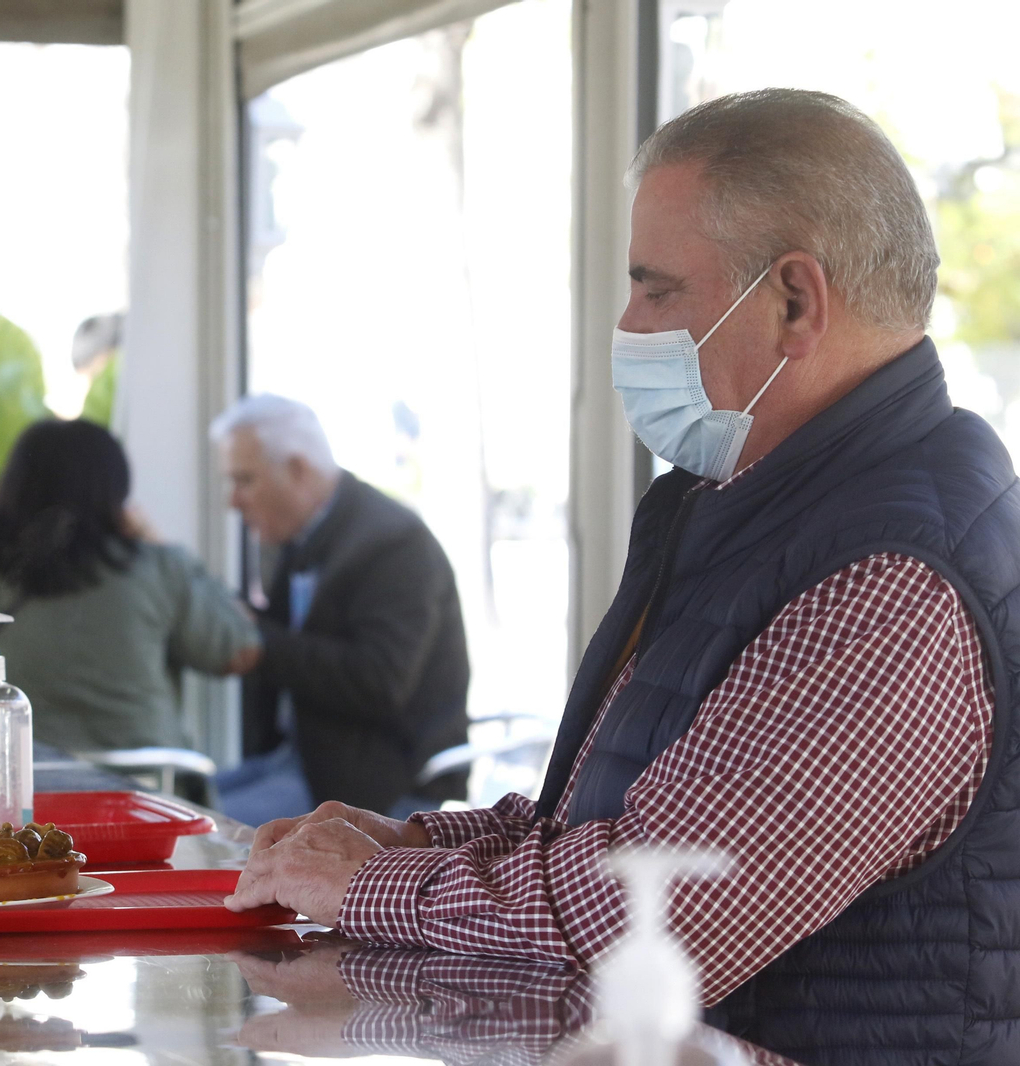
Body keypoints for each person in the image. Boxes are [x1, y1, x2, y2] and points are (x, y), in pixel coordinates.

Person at [223, 88, 1020, 1063]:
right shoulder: (740, 502)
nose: (627, 323)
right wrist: (411, 844)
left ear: (795, 303)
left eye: (657, 288)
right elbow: (615, 812)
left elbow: (658, 914)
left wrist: (364, 888)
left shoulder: (891, 581)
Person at [0, 418, 259, 753]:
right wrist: (153, 538)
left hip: (4, 795)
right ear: (116, 493)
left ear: (13, 487)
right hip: (146, 796)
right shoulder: (155, 567)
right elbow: (239, 651)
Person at [209, 395, 469, 826]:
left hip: (375, 787)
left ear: (296, 469)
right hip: (298, 764)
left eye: (244, 480)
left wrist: (264, 648)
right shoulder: (304, 534)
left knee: (195, 836)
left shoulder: (394, 544)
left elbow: (382, 680)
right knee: (175, 810)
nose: (232, 501)